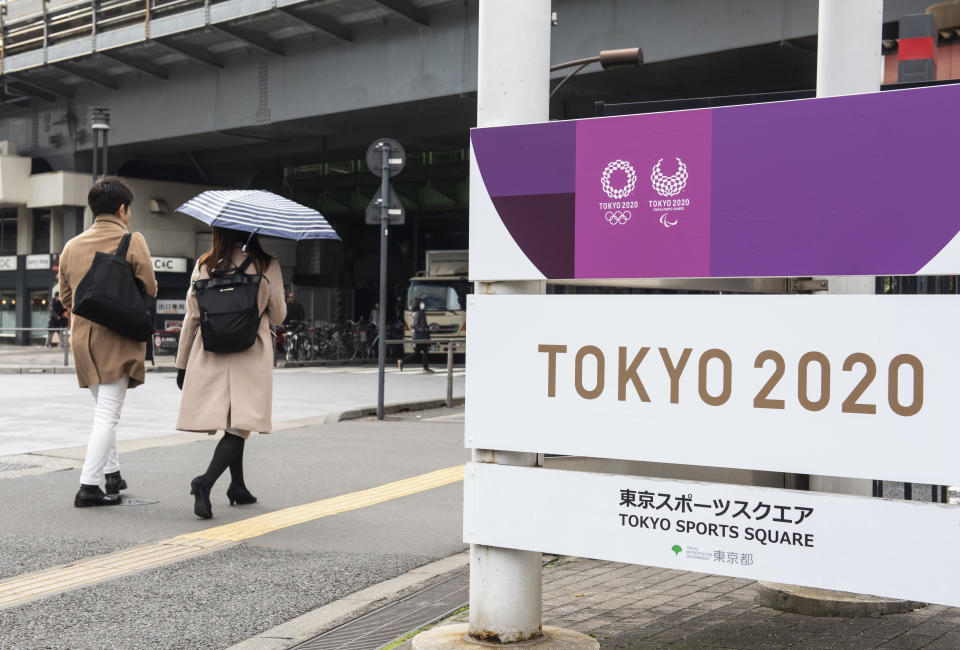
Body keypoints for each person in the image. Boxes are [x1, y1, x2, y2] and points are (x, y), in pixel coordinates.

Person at [58, 177, 158, 507]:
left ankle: (113, 474)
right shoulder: (132, 240)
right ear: (122, 209)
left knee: (103, 410)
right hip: (116, 341)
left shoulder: (72, 246)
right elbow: (150, 287)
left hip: (83, 342)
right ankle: (89, 485)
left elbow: (68, 297)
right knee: (107, 416)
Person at [175, 227, 286, 519]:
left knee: (235, 421)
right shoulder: (266, 263)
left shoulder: (205, 264)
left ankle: (237, 485)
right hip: (250, 350)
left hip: (211, 350)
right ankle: (205, 481)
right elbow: (277, 315)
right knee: (240, 424)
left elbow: (193, 316)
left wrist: (182, 363)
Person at [398, 300, 432, 373]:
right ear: (418, 305)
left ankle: (402, 361)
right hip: (421, 336)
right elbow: (416, 325)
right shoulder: (419, 313)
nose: (423, 304)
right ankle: (425, 368)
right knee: (425, 351)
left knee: (417, 352)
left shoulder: (419, 313)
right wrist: (424, 329)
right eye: (421, 303)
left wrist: (426, 328)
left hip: (420, 335)